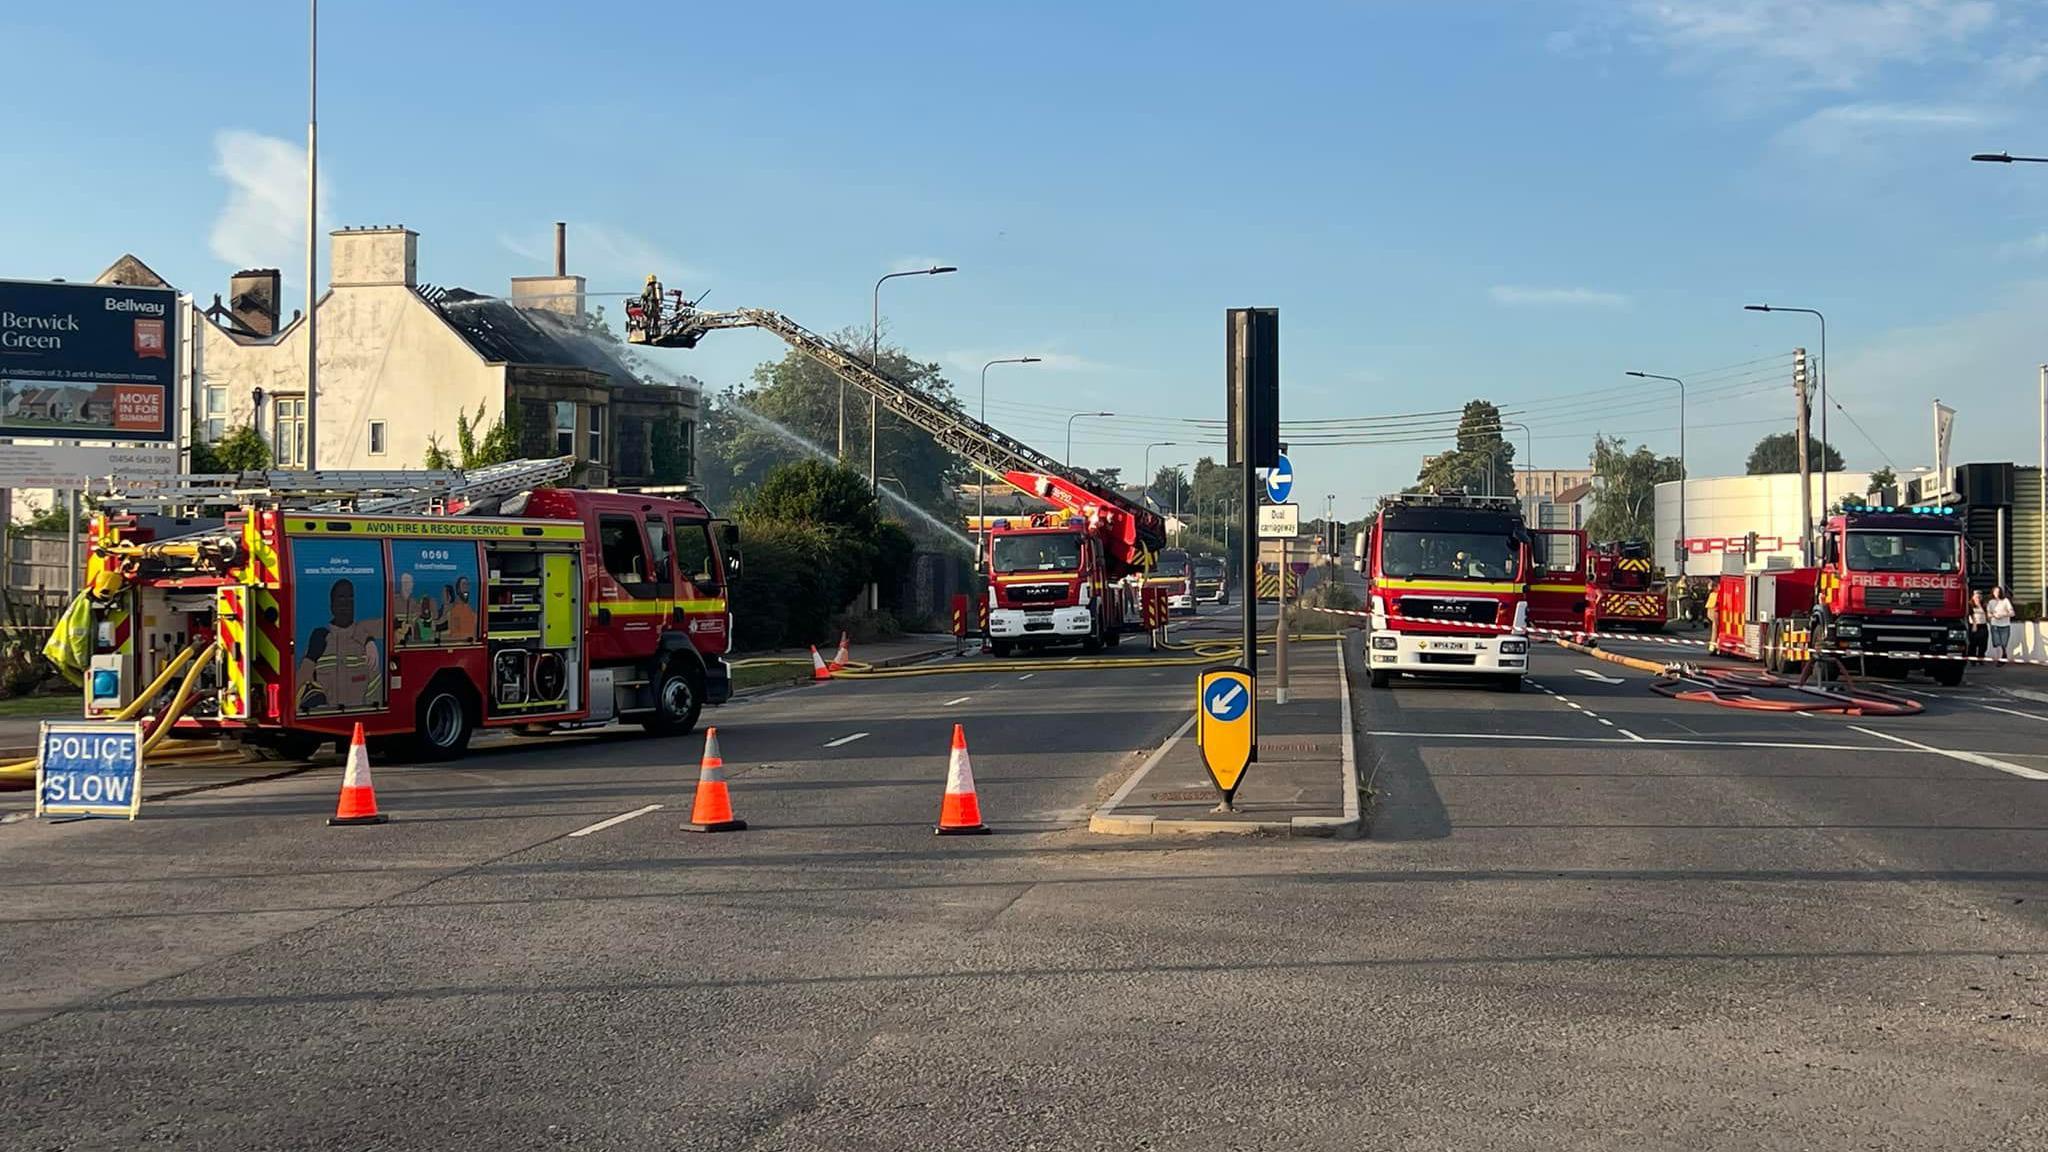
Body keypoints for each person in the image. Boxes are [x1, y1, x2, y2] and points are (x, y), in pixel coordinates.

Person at [1986, 585, 2016, 667]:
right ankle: (2000, 659)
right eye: (1995, 592)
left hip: (2005, 624)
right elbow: (1988, 613)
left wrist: (2003, 615)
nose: (1996, 593)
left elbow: (2012, 613)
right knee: (1996, 643)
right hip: (1995, 624)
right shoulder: (1991, 602)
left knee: (2004, 643)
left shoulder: (2005, 601)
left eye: (1998, 592)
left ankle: (2003, 655)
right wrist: (1993, 615)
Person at [1967, 590, 1989, 662]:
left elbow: (1987, 615)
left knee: (1983, 644)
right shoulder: (1970, 604)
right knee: (1973, 643)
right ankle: (1972, 659)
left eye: (1979, 597)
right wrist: (1974, 624)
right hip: (1973, 625)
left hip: (1983, 625)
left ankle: (1981, 657)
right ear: (1973, 597)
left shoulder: (1984, 605)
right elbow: (1971, 614)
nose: (1978, 598)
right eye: (1976, 596)